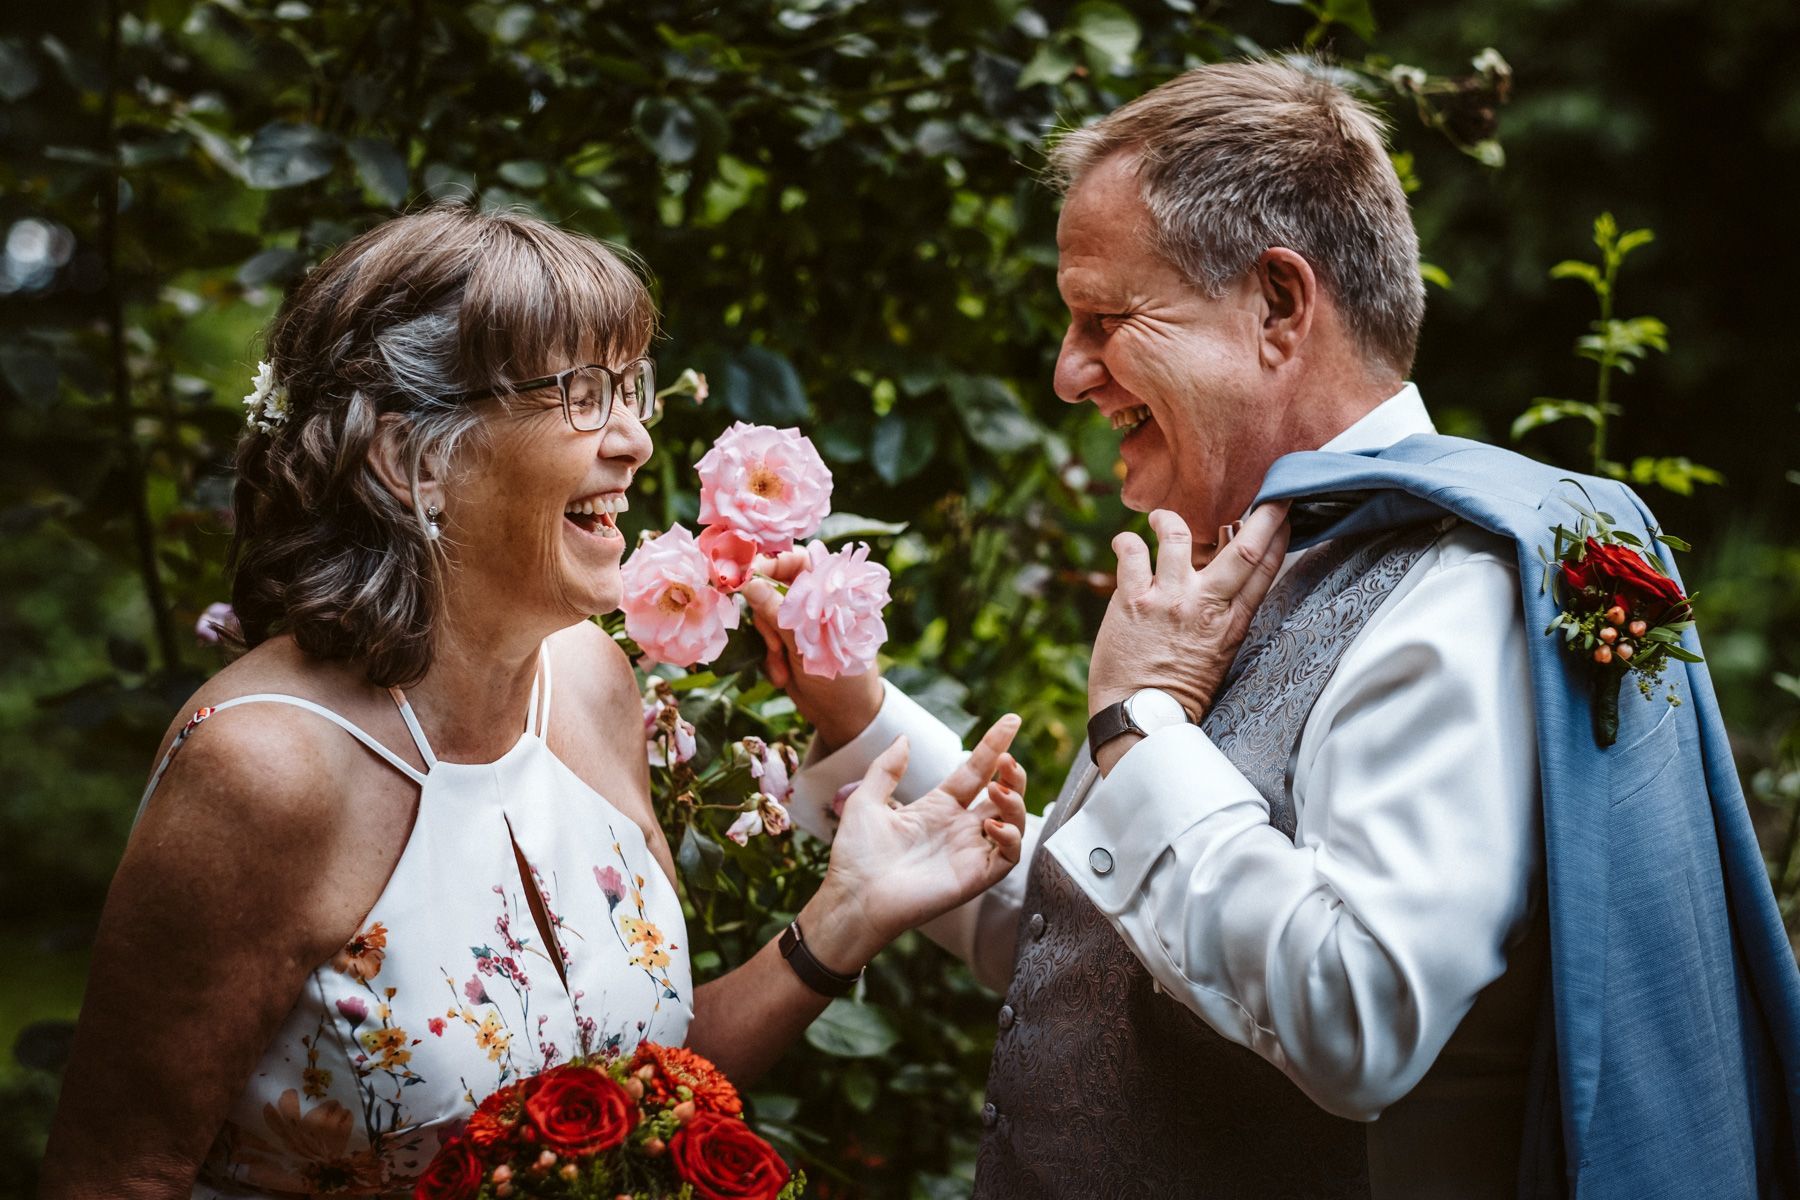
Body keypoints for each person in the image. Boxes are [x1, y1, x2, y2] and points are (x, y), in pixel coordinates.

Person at [746, 60, 1800, 1197]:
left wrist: (1140, 724)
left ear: (1280, 307)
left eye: (1108, 318)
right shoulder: (1261, 554)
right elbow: (1095, 950)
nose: (1067, 373)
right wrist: (857, 718)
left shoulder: (1455, 591)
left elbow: (1354, 1014)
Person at [39, 205, 1029, 1199]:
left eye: (632, 388)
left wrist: (847, 915)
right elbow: (117, 1173)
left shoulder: (591, 680)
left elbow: (642, 1099)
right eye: (583, 394)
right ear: (412, 459)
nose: (637, 441)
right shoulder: (265, 771)